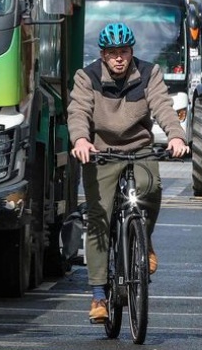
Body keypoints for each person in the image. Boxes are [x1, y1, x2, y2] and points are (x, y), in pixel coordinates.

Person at [69, 22, 189, 323]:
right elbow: (79, 111)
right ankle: (99, 297)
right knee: (99, 217)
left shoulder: (149, 74)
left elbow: (163, 106)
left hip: (139, 149)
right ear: (103, 55)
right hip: (101, 152)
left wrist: (176, 136)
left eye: (124, 52)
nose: (119, 58)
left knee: (150, 189)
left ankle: (143, 240)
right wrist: (81, 140)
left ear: (132, 51)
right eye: (112, 53)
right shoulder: (87, 77)